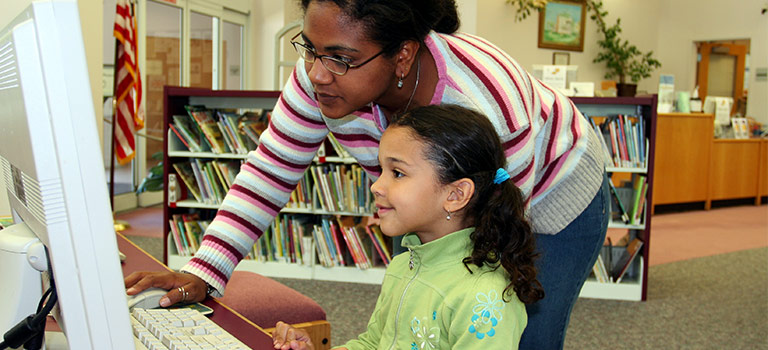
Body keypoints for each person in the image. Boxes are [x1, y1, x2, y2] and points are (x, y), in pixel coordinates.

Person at [124, 0, 610, 348]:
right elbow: (270, 168)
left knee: (516, 328)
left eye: (339, 57)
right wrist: (203, 272)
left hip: (546, 193)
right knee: (406, 319)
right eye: (309, 49)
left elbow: (499, 229)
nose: (317, 72)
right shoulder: (323, 79)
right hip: (431, 206)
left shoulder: (483, 102)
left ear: (402, 54)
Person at [274, 104, 544, 350]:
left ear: (455, 195)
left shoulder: (484, 299)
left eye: (398, 173)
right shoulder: (404, 266)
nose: (376, 186)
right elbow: (373, 343)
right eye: (381, 170)